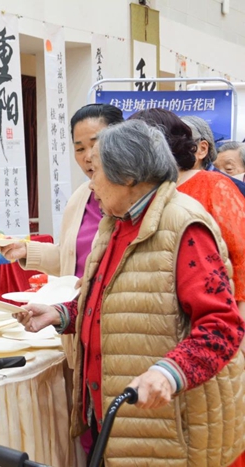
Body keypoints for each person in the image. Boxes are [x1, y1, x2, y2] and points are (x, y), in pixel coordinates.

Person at [17, 120, 245, 466]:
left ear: (127, 176)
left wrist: (169, 372)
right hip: (118, 418)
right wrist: (62, 314)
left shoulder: (183, 227)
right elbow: (114, 300)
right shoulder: (116, 223)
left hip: (166, 429)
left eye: (97, 171)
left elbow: (223, 327)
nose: (91, 183)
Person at [0, 103, 124, 368]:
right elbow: (69, 258)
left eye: (95, 145)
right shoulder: (80, 197)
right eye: (79, 149)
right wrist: (25, 250)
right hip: (75, 321)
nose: (88, 157)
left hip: (117, 328)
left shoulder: (130, 201)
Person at [130, 108, 245, 319]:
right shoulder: (141, 191)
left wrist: (239, 321)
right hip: (155, 314)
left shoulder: (214, 185)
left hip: (211, 313)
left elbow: (241, 256)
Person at [181, 115, 245, 196]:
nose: (220, 173)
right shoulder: (171, 184)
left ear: (203, 148)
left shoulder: (238, 191)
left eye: (228, 169)